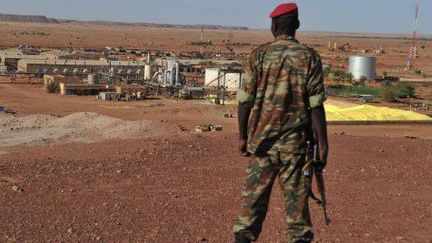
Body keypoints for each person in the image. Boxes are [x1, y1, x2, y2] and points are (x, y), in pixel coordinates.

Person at [233, 3, 329, 243]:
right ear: (296, 26)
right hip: (295, 149)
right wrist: (324, 144)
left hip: (262, 145)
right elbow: (316, 105)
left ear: (273, 26)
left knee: (249, 215)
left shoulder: (259, 55)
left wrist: (243, 137)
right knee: (298, 220)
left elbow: (244, 102)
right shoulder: (309, 57)